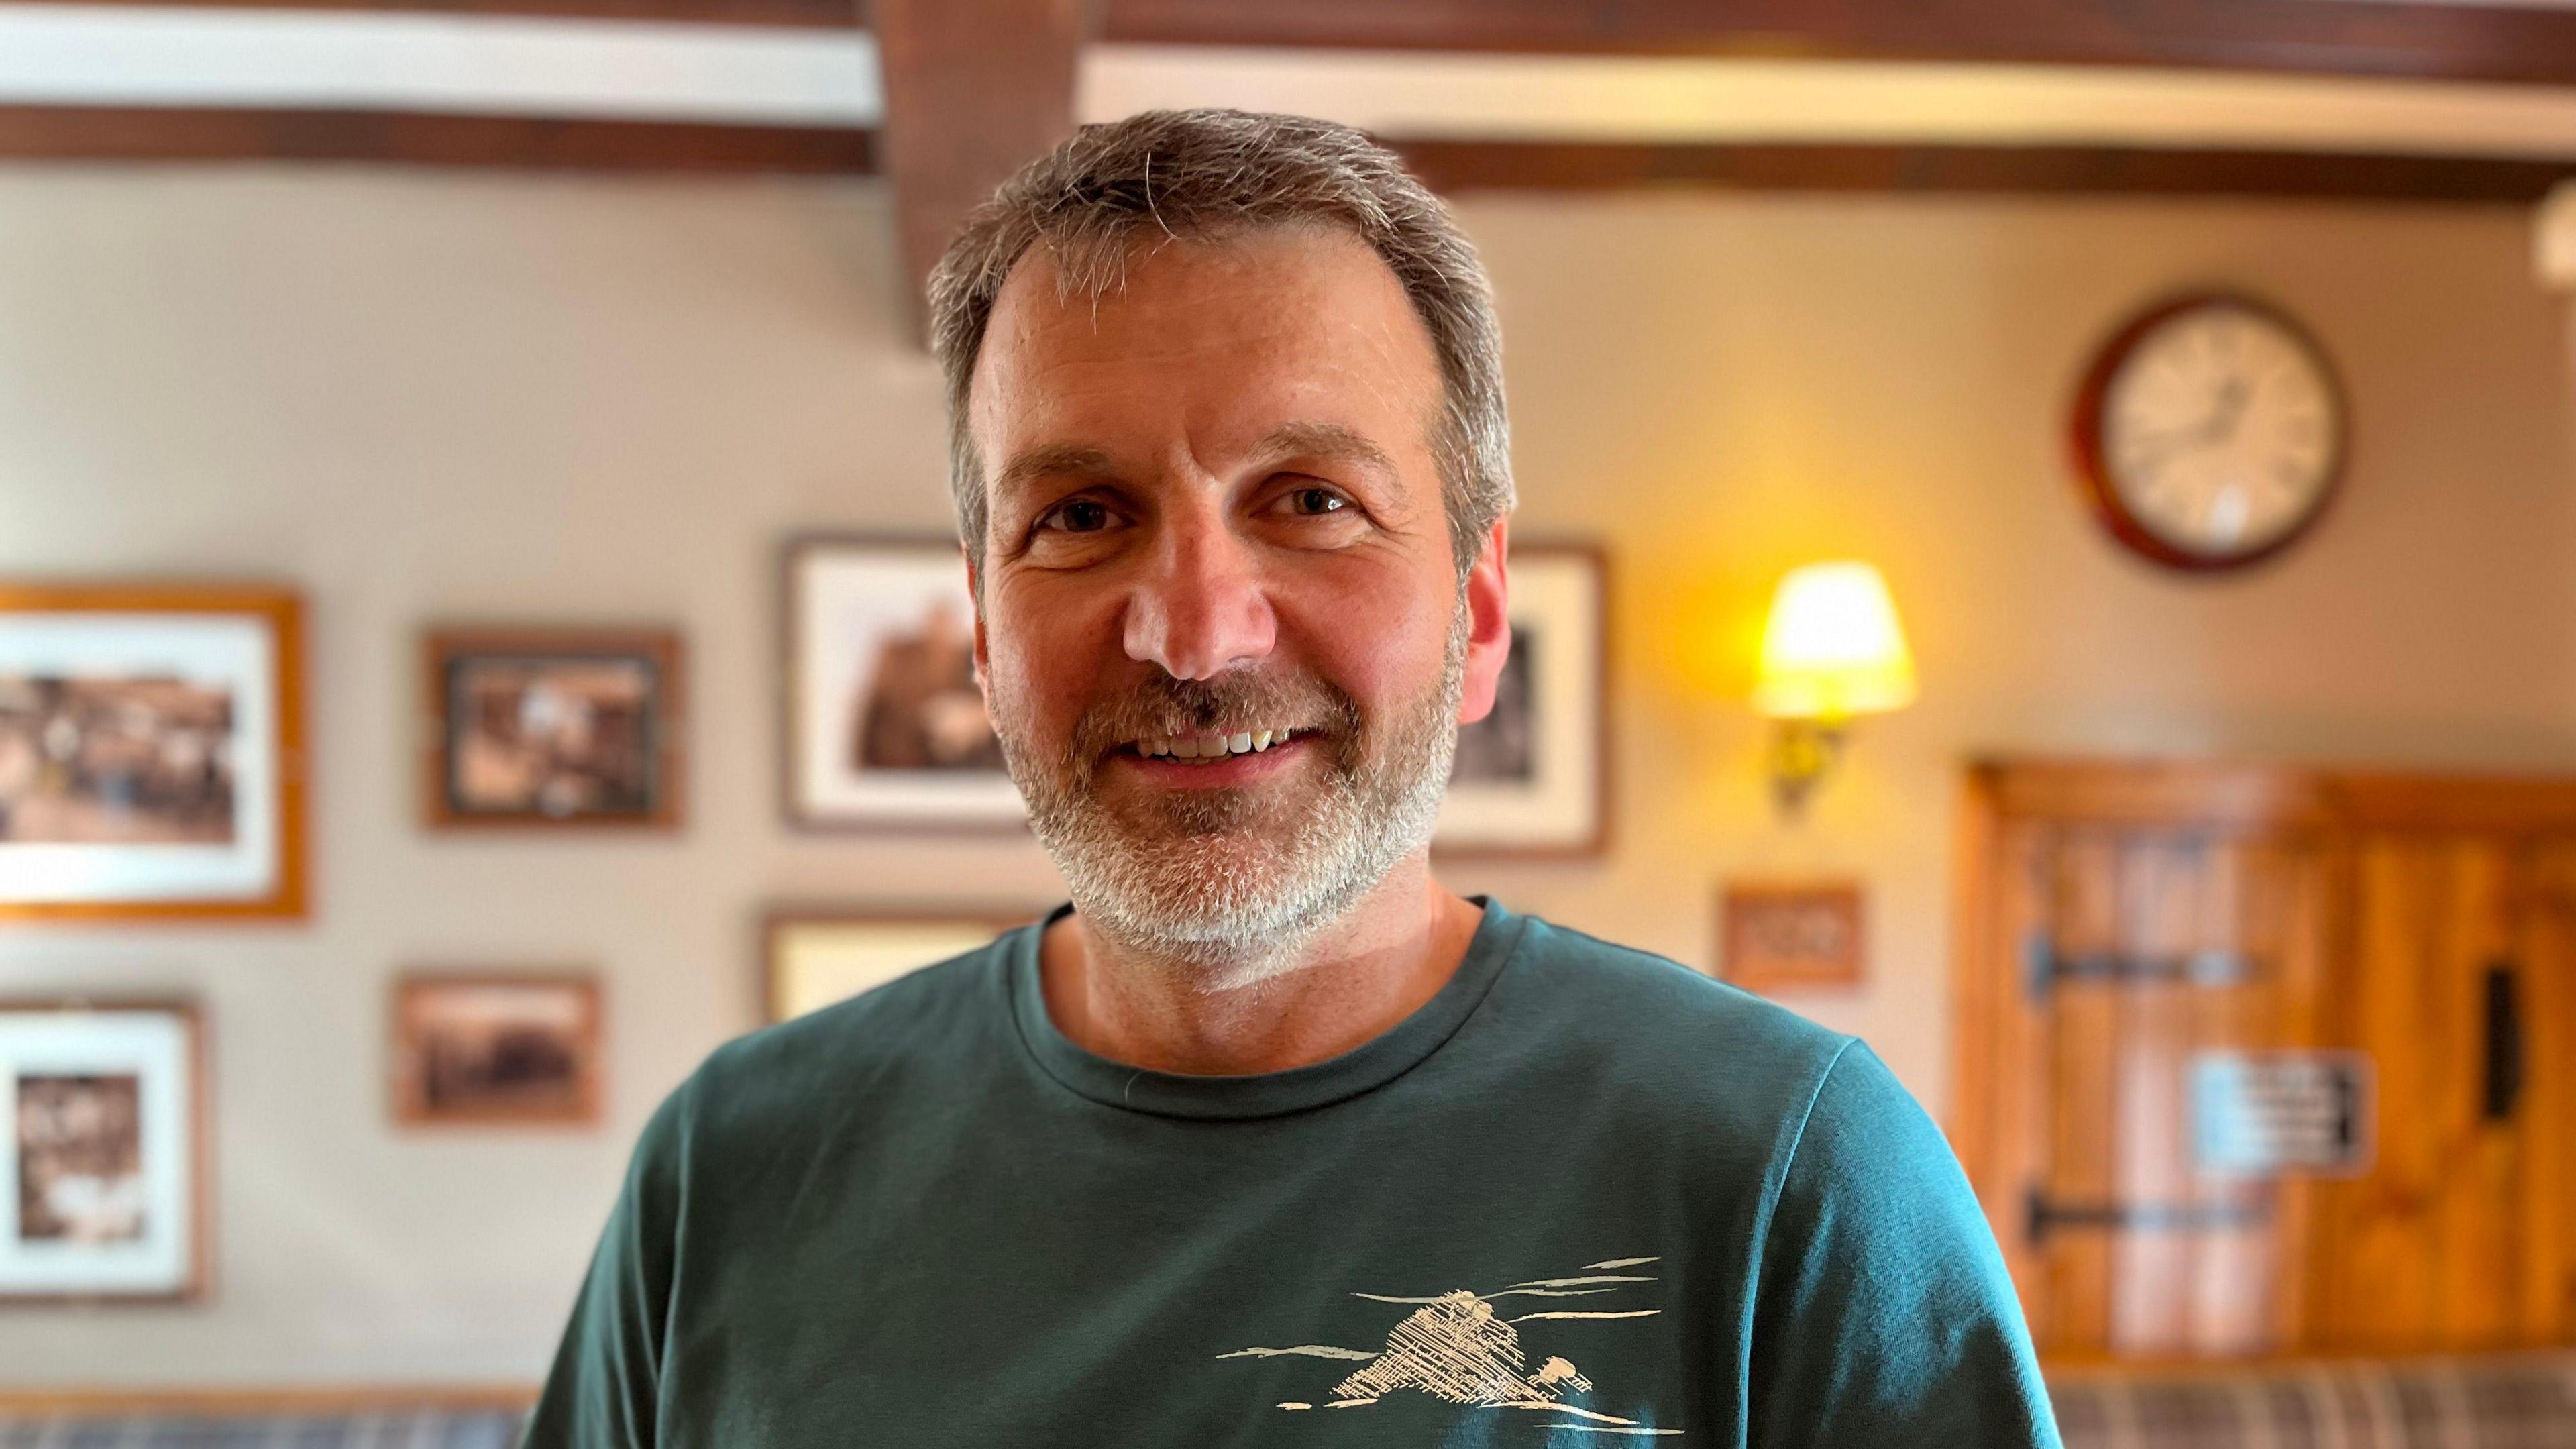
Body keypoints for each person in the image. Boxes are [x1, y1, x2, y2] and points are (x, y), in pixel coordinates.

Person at [525, 108, 2063, 1448]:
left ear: (1472, 606)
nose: (1195, 633)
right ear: (984, 629)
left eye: (1311, 499)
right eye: (1080, 513)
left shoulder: (1787, 1171)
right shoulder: (733, 1169)